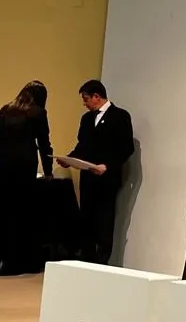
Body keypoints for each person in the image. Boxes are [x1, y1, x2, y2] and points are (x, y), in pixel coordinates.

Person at [57, 79, 134, 265]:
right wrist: (70, 159)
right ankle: (86, 259)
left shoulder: (120, 116)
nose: (84, 103)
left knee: (104, 220)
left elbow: (126, 147)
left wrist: (108, 166)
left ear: (96, 96)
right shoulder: (86, 119)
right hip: (88, 177)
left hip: (107, 179)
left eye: (86, 99)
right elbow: (82, 146)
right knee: (87, 219)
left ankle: (102, 262)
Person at [0, 81, 53, 275]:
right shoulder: (38, 113)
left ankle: (4, 259)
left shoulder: (5, 110)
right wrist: (48, 171)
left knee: (5, 212)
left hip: (4, 166)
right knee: (23, 213)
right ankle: (20, 261)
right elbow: (44, 143)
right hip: (24, 167)